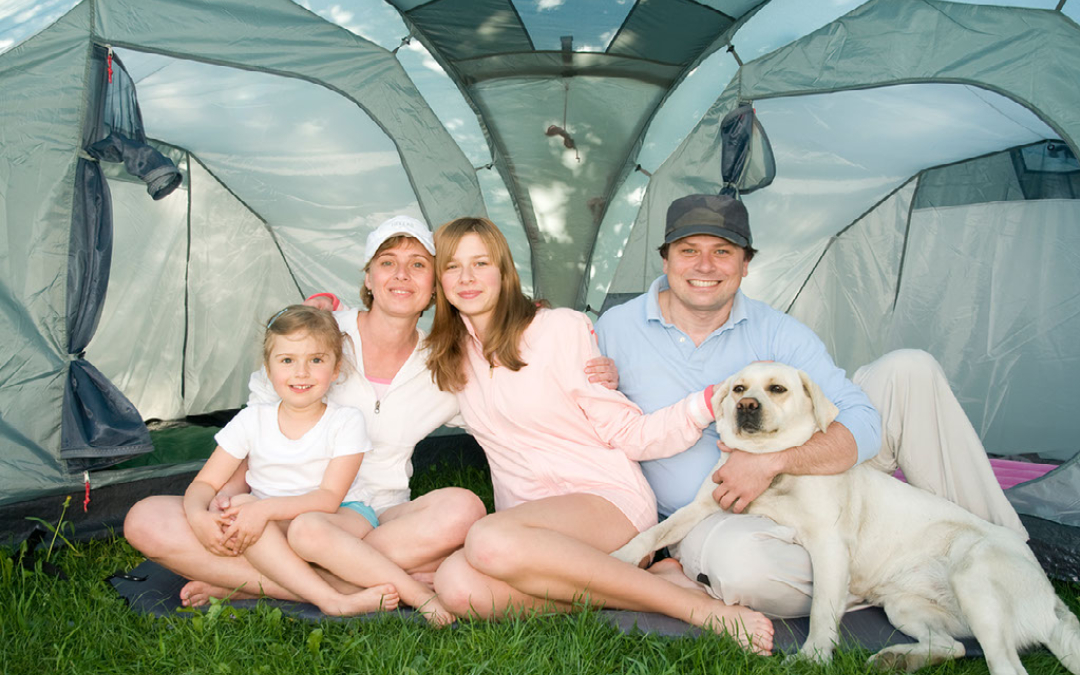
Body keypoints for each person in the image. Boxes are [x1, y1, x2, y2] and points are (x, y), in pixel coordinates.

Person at [124, 215, 616, 617]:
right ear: (368, 277)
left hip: (375, 519)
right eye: (388, 262)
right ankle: (350, 584)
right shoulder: (317, 338)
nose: (401, 275)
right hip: (275, 507)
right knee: (146, 519)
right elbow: (256, 420)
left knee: (462, 509)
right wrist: (226, 505)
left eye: (418, 264)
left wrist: (595, 374)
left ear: (436, 287)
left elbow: (518, 394)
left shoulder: (450, 358)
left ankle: (259, 584)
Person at [594, 193, 1028, 618]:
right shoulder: (616, 328)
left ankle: (1006, 559)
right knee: (745, 571)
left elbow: (861, 421)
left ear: (746, 264)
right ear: (665, 259)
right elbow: (570, 410)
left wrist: (771, 462)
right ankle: (897, 576)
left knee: (908, 370)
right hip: (719, 512)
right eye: (688, 251)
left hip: (825, 480)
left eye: (722, 252)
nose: (705, 266)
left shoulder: (778, 331)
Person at [425, 217, 775, 654]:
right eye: (453, 267)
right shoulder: (446, 357)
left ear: (505, 271)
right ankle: (641, 582)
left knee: (486, 540)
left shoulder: (557, 329)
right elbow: (382, 384)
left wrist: (703, 402)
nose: (468, 278)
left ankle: (696, 609)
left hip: (605, 502)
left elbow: (628, 431)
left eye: (481, 263)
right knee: (456, 585)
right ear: (438, 280)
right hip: (529, 522)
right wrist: (333, 322)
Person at [181, 304, 406, 617]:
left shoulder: (344, 421)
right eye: (287, 360)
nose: (301, 373)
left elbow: (327, 499)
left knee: (255, 514)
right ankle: (324, 592)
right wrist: (197, 517)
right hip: (273, 523)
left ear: (336, 368)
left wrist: (258, 510)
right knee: (243, 514)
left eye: (315, 360)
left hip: (337, 518)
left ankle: (322, 596)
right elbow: (205, 482)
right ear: (268, 367)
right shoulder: (251, 421)